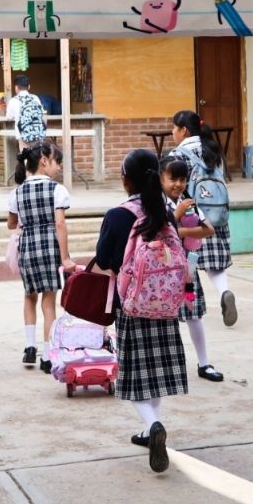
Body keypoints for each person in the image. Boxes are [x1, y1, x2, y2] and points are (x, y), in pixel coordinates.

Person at [94, 149, 188, 474]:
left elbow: (105, 259)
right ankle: (150, 432)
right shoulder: (164, 211)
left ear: (126, 180)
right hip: (164, 305)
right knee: (157, 375)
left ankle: (154, 425)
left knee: (134, 378)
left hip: (131, 307)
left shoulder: (119, 215)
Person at [6, 141, 75, 374]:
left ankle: (28, 346)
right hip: (48, 249)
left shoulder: (16, 192)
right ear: (44, 161)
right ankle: (47, 355)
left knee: (29, 296)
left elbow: (11, 223)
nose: (59, 168)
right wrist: (65, 258)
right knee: (48, 303)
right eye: (58, 162)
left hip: (27, 249)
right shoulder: (57, 190)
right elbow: (60, 224)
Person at [168, 110, 238, 327]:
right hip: (217, 215)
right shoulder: (213, 149)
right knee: (215, 265)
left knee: (189, 265)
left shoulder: (178, 154)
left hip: (192, 217)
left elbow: (173, 186)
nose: (172, 132)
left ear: (183, 130)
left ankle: (189, 307)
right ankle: (225, 291)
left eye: (174, 128)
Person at [159, 156, 223, 382]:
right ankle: (165, 365)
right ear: (161, 179)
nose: (177, 184)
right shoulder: (157, 203)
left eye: (182, 179)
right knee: (163, 316)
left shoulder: (188, 201)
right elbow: (160, 230)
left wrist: (182, 231)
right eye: (172, 179)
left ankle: (204, 363)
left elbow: (208, 229)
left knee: (194, 313)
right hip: (161, 270)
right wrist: (179, 221)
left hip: (187, 267)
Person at [5, 74, 46, 149]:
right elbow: (42, 114)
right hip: (37, 134)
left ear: (16, 88)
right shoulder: (35, 98)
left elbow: (9, 117)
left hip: (23, 135)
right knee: (38, 157)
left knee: (26, 158)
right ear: (29, 86)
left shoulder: (13, 101)